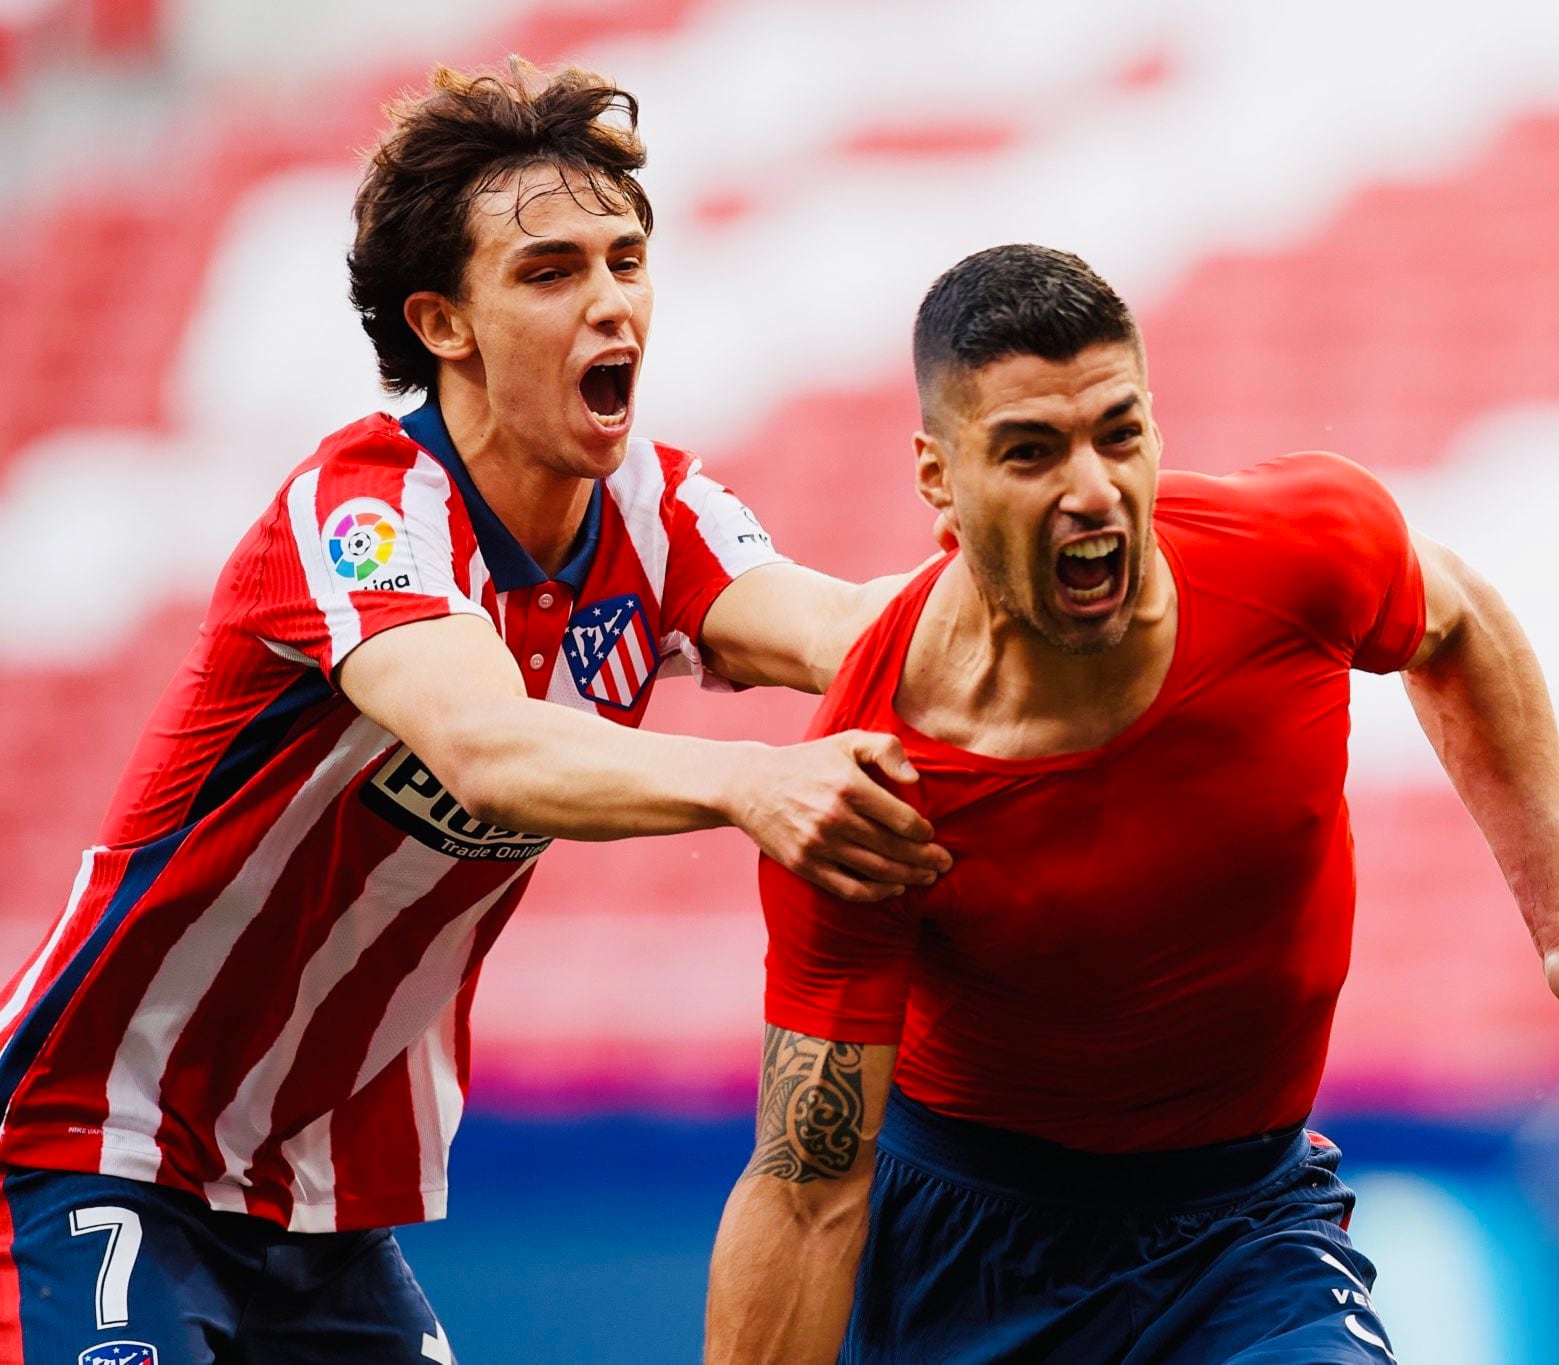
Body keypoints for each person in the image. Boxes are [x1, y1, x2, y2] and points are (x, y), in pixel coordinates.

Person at [0, 61, 948, 1364]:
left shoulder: (656, 514)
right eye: (552, 273)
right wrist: (746, 784)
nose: (612, 302)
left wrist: (1082, 558)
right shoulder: (358, 514)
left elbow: (864, 637)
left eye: (627, 259)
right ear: (443, 323)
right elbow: (486, 747)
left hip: (315, 1198)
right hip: (92, 1147)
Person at [705, 244, 1559, 1363]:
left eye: (1119, 434)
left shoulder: (1293, 552)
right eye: (1031, 452)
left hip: (1242, 1229)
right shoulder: (866, 784)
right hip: (965, 1255)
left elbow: (1458, 624)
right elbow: (807, 1190)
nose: (1091, 489)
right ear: (937, 478)